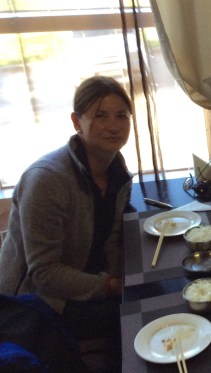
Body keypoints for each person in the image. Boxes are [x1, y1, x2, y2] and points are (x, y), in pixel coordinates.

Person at [0, 76, 133, 348]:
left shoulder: (115, 169)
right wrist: (110, 286)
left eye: (121, 115)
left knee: (156, 291)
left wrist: (123, 279)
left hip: (90, 277)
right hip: (34, 302)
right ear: (76, 122)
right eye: (100, 116)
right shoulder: (47, 180)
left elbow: (111, 239)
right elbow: (44, 273)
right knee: (134, 317)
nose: (113, 126)